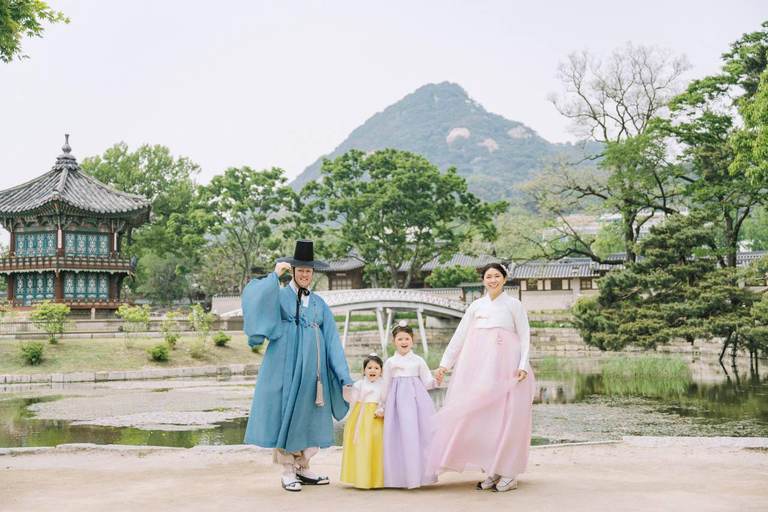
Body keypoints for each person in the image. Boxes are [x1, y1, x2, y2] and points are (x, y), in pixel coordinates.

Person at [241, 239, 353, 492]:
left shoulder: (319, 304)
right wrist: (274, 276)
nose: (305, 275)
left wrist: (344, 376)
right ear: (292, 272)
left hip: (314, 371)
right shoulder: (278, 295)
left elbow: (333, 340)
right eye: (300, 270)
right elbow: (253, 299)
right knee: (285, 413)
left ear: (313, 273)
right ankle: (287, 469)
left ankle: (303, 466)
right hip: (283, 365)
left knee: (310, 415)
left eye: (309, 271)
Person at [428, 263, 535, 492]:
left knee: (508, 417)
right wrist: (445, 364)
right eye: (489, 277)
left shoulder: (514, 305)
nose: (493, 280)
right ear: (483, 280)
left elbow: (525, 336)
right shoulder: (476, 306)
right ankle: (493, 469)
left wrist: (522, 365)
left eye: (497, 276)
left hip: (508, 369)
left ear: (505, 279)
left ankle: (509, 472)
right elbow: (460, 337)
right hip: (481, 370)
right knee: (486, 418)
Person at [378, 321, 439, 489]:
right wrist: (382, 405)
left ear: (412, 340)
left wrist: (436, 381)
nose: (403, 342)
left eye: (407, 338)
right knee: (398, 438)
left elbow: (427, 382)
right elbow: (385, 386)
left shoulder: (418, 360)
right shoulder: (390, 362)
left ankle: (419, 477)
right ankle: (400, 478)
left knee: (417, 437)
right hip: (396, 405)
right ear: (393, 341)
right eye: (399, 339)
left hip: (416, 404)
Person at [340, 353, 386, 489]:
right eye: (369, 368)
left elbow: (385, 400)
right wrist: (347, 390)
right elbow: (352, 399)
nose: (373, 371)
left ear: (381, 371)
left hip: (377, 418)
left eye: (376, 368)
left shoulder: (384, 385)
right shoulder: (359, 384)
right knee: (361, 447)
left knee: (377, 447)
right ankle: (361, 477)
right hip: (360, 417)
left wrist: (382, 409)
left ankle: (377, 479)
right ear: (363, 370)